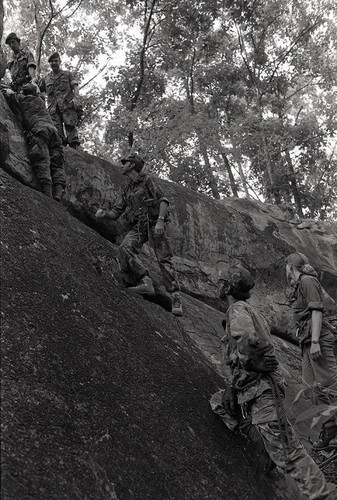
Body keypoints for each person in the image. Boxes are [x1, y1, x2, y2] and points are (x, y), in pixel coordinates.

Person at [211, 265, 336, 500]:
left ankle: (324, 495)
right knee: (219, 402)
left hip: (262, 391)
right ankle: (262, 439)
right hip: (248, 391)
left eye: (220, 282)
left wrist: (252, 363)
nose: (217, 285)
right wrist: (232, 386)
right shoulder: (249, 310)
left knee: (288, 453)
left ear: (227, 287)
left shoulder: (237, 310)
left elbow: (247, 338)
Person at [95, 154, 183, 317]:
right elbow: (116, 213)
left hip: (155, 221)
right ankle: (145, 281)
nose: (123, 165)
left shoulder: (147, 180)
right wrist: (104, 214)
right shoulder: (128, 189)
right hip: (140, 225)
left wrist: (160, 222)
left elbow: (163, 200)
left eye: (126, 162)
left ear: (133, 165)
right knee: (125, 248)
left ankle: (176, 298)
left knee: (164, 259)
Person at [286, 252, 337, 450]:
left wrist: (315, 341)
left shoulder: (307, 281)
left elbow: (317, 310)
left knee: (329, 384)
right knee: (312, 387)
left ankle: (331, 432)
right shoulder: (299, 286)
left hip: (317, 338)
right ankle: (330, 429)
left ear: (290, 266)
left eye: (286, 268)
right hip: (306, 340)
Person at [2, 83, 66, 200]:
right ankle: (58, 190)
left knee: (42, 159)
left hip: (39, 129)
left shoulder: (23, 99)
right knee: (57, 161)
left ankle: (47, 192)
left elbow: (9, 94)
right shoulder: (40, 100)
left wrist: (6, 89)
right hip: (54, 132)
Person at [40, 52, 81, 149]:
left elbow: (75, 86)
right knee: (57, 132)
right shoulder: (46, 78)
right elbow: (38, 89)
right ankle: (62, 151)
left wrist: (76, 98)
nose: (54, 63)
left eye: (56, 61)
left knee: (71, 127)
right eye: (51, 62)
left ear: (59, 62)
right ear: (49, 64)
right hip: (53, 110)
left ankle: (75, 149)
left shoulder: (67, 74)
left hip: (67, 106)